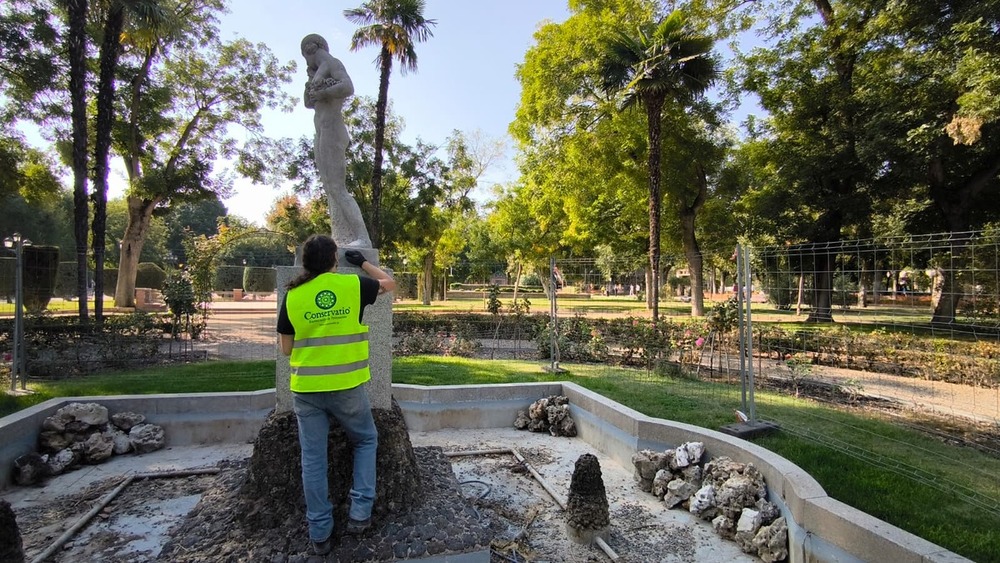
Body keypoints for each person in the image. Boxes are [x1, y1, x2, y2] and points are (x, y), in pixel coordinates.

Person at [276, 234, 396, 555]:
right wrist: (362, 263)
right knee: (366, 440)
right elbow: (390, 283)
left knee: (313, 458)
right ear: (334, 260)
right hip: (347, 387)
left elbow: (286, 349)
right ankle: (360, 514)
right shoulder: (352, 286)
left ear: (305, 263)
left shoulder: (293, 296)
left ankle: (319, 532)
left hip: (308, 391)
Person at [301, 33, 372, 248]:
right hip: (321, 131)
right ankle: (343, 237)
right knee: (330, 187)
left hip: (332, 130)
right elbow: (308, 103)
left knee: (337, 187)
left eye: (305, 56)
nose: (306, 62)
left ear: (310, 50)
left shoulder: (331, 63)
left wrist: (323, 92)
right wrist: (311, 88)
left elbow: (348, 87)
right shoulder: (317, 72)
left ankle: (363, 239)